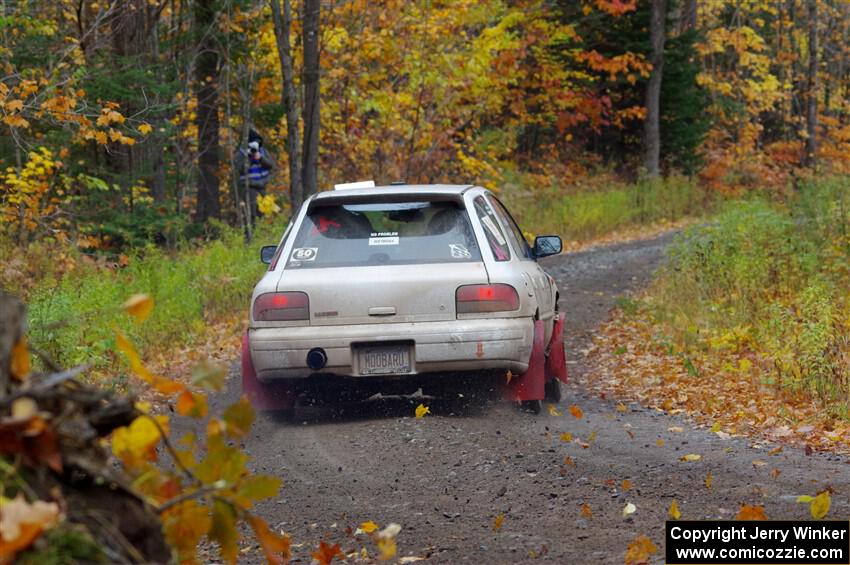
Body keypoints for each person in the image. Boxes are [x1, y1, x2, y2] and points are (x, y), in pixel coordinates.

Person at [234, 132, 275, 225]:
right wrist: (248, 158)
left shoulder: (262, 151)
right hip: (249, 187)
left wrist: (260, 158)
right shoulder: (241, 154)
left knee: (264, 211)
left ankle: (261, 231)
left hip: (263, 187)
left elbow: (270, 165)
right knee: (252, 212)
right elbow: (239, 169)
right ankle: (250, 233)